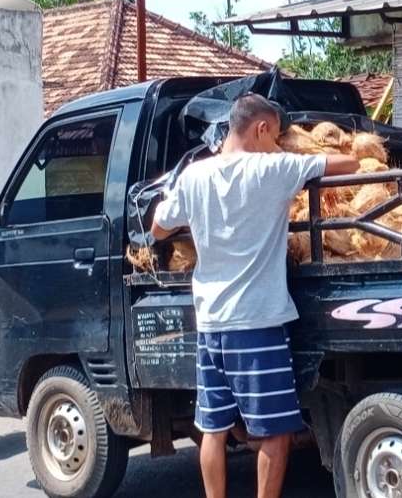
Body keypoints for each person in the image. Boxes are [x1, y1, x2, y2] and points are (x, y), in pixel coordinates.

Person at [151, 94, 358, 498]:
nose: (279, 144)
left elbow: (158, 227)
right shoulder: (273, 169)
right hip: (257, 325)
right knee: (275, 435)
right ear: (261, 129)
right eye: (277, 136)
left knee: (213, 429)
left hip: (211, 324)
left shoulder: (194, 176)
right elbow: (347, 164)